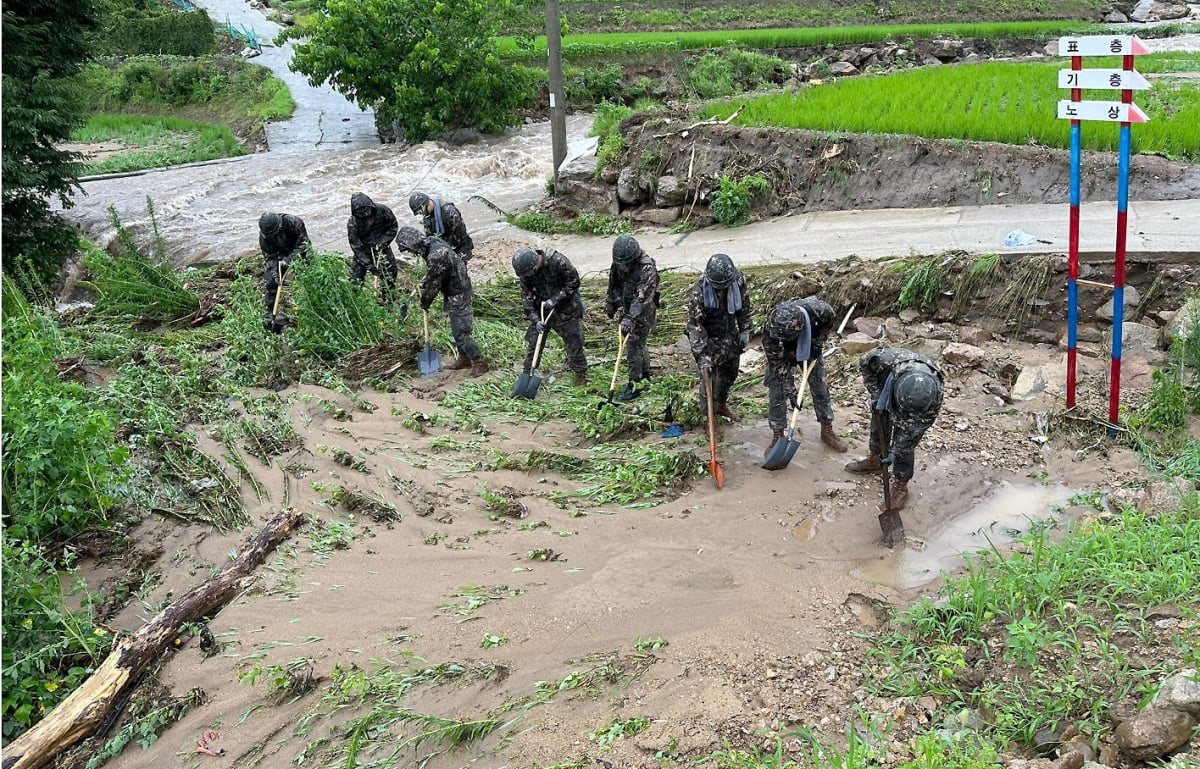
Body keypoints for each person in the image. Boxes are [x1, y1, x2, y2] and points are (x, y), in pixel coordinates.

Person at [845, 347, 944, 512]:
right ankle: (875, 459)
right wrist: (876, 394)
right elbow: (865, 364)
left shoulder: (933, 398)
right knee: (879, 420)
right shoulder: (883, 359)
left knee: (906, 444)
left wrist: (895, 451)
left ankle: (901, 485)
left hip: (915, 404)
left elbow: (911, 432)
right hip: (887, 385)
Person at [762, 296, 849, 455]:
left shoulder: (819, 310)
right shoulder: (772, 332)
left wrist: (818, 342)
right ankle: (778, 434)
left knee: (820, 388)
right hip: (783, 353)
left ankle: (827, 430)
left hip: (808, 343)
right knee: (776, 391)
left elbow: (829, 321)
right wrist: (791, 392)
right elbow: (777, 365)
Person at [396, 227, 487, 376]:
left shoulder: (436, 254)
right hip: (454, 289)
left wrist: (425, 302)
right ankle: (464, 359)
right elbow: (437, 271)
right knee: (455, 328)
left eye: (408, 249)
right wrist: (424, 281)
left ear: (413, 244)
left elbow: (434, 284)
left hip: (459, 292)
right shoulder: (432, 242)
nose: (410, 253)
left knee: (462, 331)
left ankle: (479, 362)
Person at [687, 253, 751, 421]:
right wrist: (702, 356)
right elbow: (695, 325)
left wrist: (744, 330)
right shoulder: (699, 292)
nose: (721, 289)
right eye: (718, 287)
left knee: (729, 374)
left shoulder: (737, 281)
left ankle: (721, 405)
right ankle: (709, 419)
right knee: (709, 380)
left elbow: (744, 307)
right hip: (709, 339)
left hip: (730, 336)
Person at [512, 247, 588, 387]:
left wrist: (556, 300)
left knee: (573, 341)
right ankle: (527, 373)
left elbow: (573, 283)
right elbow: (526, 299)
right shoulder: (526, 275)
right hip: (541, 310)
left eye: (529, 273)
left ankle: (580, 373)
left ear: (535, 265)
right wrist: (536, 320)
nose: (527, 276)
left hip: (566, 308)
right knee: (534, 342)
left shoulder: (559, 261)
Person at [604, 234, 658, 401]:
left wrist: (630, 318)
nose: (623, 266)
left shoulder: (647, 268)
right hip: (628, 306)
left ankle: (634, 384)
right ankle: (646, 376)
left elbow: (642, 298)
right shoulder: (619, 263)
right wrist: (611, 303)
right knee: (639, 344)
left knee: (633, 346)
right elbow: (613, 284)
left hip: (643, 311)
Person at [258, 211, 311, 332]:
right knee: (272, 281)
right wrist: (275, 271)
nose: (272, 236)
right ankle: (271, 314)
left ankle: (313, 302)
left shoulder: (294, 223)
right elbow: (269, 257)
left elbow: (304, 244)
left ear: (280, 226)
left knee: (309, 274)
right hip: (281, 253)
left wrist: (289, 259)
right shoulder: (264, 237)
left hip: (300, 250)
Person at [347, 192, 399, 302]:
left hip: (382, 247)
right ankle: (355, 303)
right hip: (363, 250)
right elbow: (356, 245)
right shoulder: (353, 222)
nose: (365, 215)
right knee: (355, 278)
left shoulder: (383, 211)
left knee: (391, 273)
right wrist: (368, 264)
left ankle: (388, 301)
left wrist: (384, 242)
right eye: (361, 214)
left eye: (367, 212)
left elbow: (393, 226)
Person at [409, 192, 474, 262]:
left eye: (421, 211)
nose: (421, 214)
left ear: (427, 204)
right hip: (444, 248)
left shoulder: (449, 212)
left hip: (460, 248)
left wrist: (445, 250)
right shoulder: (427, 217)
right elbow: (429, 236)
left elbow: (460, 236)